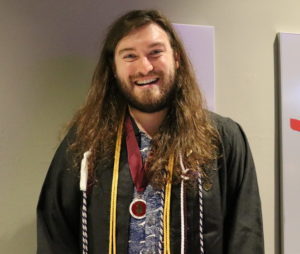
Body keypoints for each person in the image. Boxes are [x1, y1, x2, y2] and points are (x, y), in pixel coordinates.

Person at [37, 9, 264, 254]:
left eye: (155, 52)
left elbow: (245, 234)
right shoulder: (85, 144)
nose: (145, 67)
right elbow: (55, 233)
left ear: (176, 58)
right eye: (130, 56)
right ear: (114, 68)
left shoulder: (222, 139)